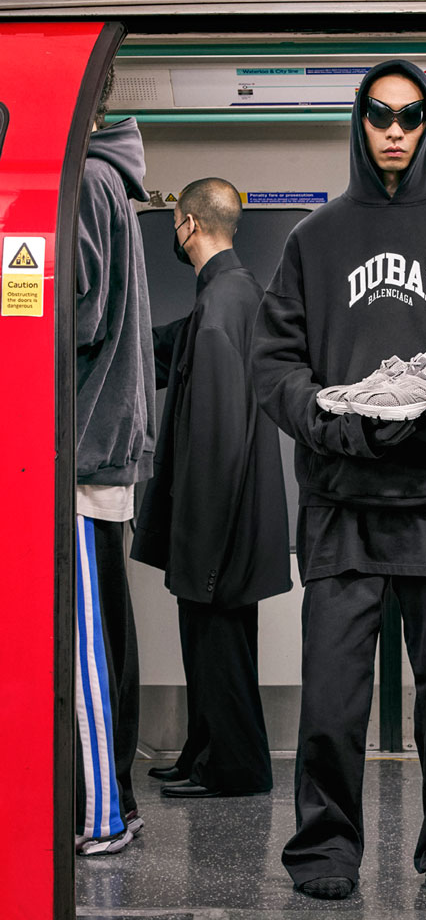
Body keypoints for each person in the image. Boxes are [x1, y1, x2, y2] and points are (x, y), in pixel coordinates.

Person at [252, 59, 426, 901]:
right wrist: (333, 423)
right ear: (359, 122)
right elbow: (275, 366)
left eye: (411, 116)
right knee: (332, 698)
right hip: (340, 503)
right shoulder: (313, 239)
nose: (396, 131)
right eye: (380, 115)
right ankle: (325, 851)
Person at [131, 178, 292, 798]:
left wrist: (203, 539)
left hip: (218, 521)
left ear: (188, 225)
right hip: (229, 518)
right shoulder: (231, 293)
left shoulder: (222, 306)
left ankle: (233, 768)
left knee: (218, 645)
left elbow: (220, 435)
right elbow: (166, 352)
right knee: (211, 644)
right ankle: (203, 753)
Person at [75, 66, 155, 854]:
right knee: (99, 640)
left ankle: (103, 812)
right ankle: (100, 801)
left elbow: (74, 316)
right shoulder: (106, 181)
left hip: (80, 457)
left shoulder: (88, 182)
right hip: (95, 447)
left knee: (89, 652)